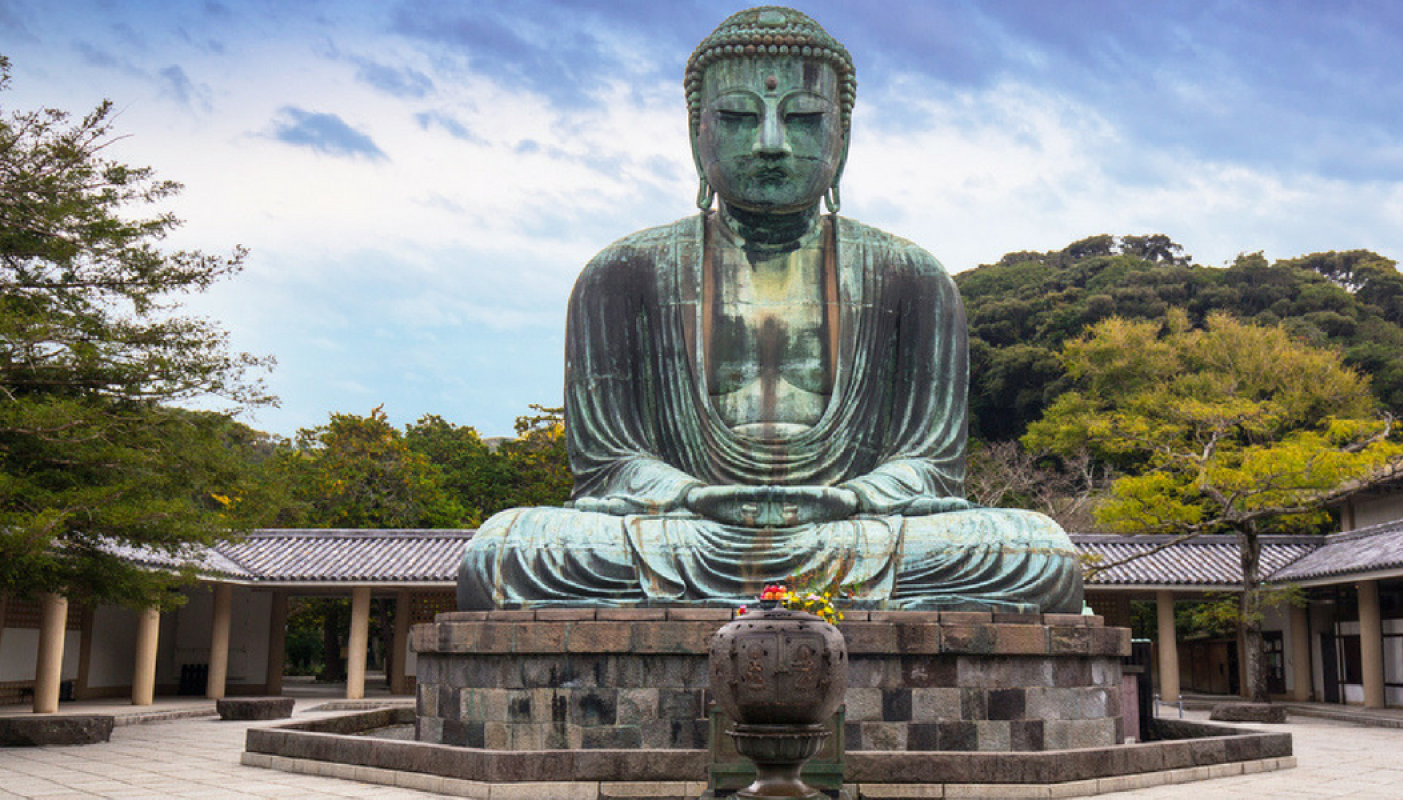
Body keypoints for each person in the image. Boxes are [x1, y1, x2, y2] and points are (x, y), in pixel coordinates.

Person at [457, 6, 1082, 612]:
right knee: (504, 552)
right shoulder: (620, 275)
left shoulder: (911, 277)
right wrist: (694, 496)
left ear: (844, 134)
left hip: (852, 532)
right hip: (687, 530)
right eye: (736, 116)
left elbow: (930, 467)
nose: (772, 143)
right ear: (696, 130)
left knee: (1037, 553)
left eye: (805, 118)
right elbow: (609, 466)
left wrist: (850, 499)